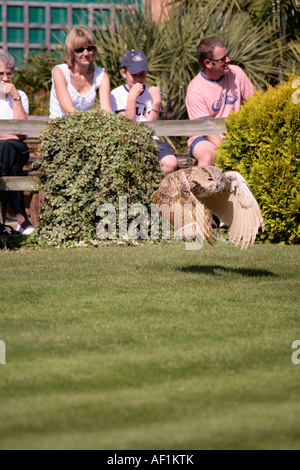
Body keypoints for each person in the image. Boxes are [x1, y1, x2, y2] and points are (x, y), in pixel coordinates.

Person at [186, 36, 255, 166]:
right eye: (222, 59)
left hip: (235, 134)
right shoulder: (195, 89)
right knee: (207, 157)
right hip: (205, 137)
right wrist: (228, 150)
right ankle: (198, 186)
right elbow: (207, 130)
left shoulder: (237, 73)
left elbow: (256, 104)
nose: (228, 60)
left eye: (227, 56)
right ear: (208, 63)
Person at [110, 50, 178, 175]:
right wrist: (131, 98)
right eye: (135, 75)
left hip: (150, 139)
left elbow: (150, 128)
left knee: (171, 163)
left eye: (142, 74)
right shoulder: (116, 94)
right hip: (127, 141)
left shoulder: (151, 93)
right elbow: (128, 126)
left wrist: (157, 102)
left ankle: (148, 181)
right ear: (124, 73)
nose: (139, 79)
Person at [0, 49, 34, 235]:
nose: (5, 79)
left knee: (9, 148)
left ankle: (1, 219)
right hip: (5, 150)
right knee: (7, 152)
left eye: (8, 74)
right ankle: (21, 217)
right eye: (1, 74)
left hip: (18, 149)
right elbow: (14, 134)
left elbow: (22, 132)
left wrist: (15, 97)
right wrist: (9, 136)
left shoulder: (20, 95)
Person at [50, 26, 111, 119]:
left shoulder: (101, 74)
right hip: (59, 129)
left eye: (90, 48)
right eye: (80, 50)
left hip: (85, 130)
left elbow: (106, 111)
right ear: (71, 51)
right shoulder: (60, 72)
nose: (86, 53)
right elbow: (69, 111)